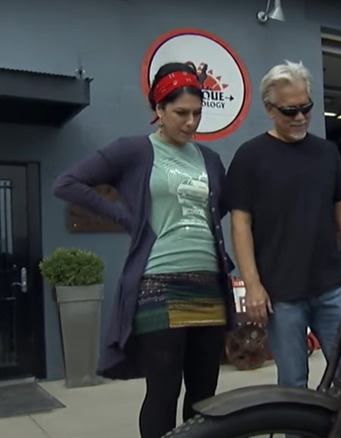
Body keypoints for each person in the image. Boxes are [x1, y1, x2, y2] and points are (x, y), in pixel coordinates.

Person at [52, 62, 236, 438]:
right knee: (163, 391)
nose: (190, 122)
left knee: (205, 396)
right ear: (159, 111)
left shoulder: (210, 159)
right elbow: (67, 183)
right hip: (159, 286)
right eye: (181, 113)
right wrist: (124, 218)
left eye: (197, 114)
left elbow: (221, 208)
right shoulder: (134, 151)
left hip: (210, 287)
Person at [224, 60, 341, 391]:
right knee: (292, 386)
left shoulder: (327, 153)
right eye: (290, 111)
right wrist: (253, 285)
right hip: (281, 294)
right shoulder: (250, 156)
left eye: (306, 108)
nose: (300, 117)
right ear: (270, 108)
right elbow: (240, 223)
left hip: (332, 287)